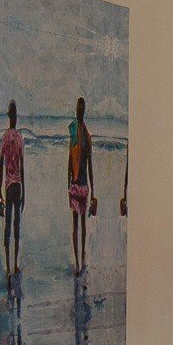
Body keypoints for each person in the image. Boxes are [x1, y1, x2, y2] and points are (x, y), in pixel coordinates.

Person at [0, 101, 27, 281]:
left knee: (8, 226)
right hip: (17, 186)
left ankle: (8, 267)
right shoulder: (19, 138)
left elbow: (1, 166)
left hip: (8, 186)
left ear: (9, 116)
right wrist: (24, 192)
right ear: (15, 117)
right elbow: (21, 168)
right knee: (16, 226)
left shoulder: (4, 138)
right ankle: (15, 264)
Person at [65, 97, 95, 275]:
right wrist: (67, 182)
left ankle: (82, 257)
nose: (79, 111)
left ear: (83, 111)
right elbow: (70, 160)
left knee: (82, 224)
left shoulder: (86, 136)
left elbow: (89, 164)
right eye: (78, 108)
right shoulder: (74, 132)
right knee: (76, 224)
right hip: (75, 184)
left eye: (81, 109)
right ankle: (77, 261)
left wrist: (93, 191)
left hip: (83, 184)